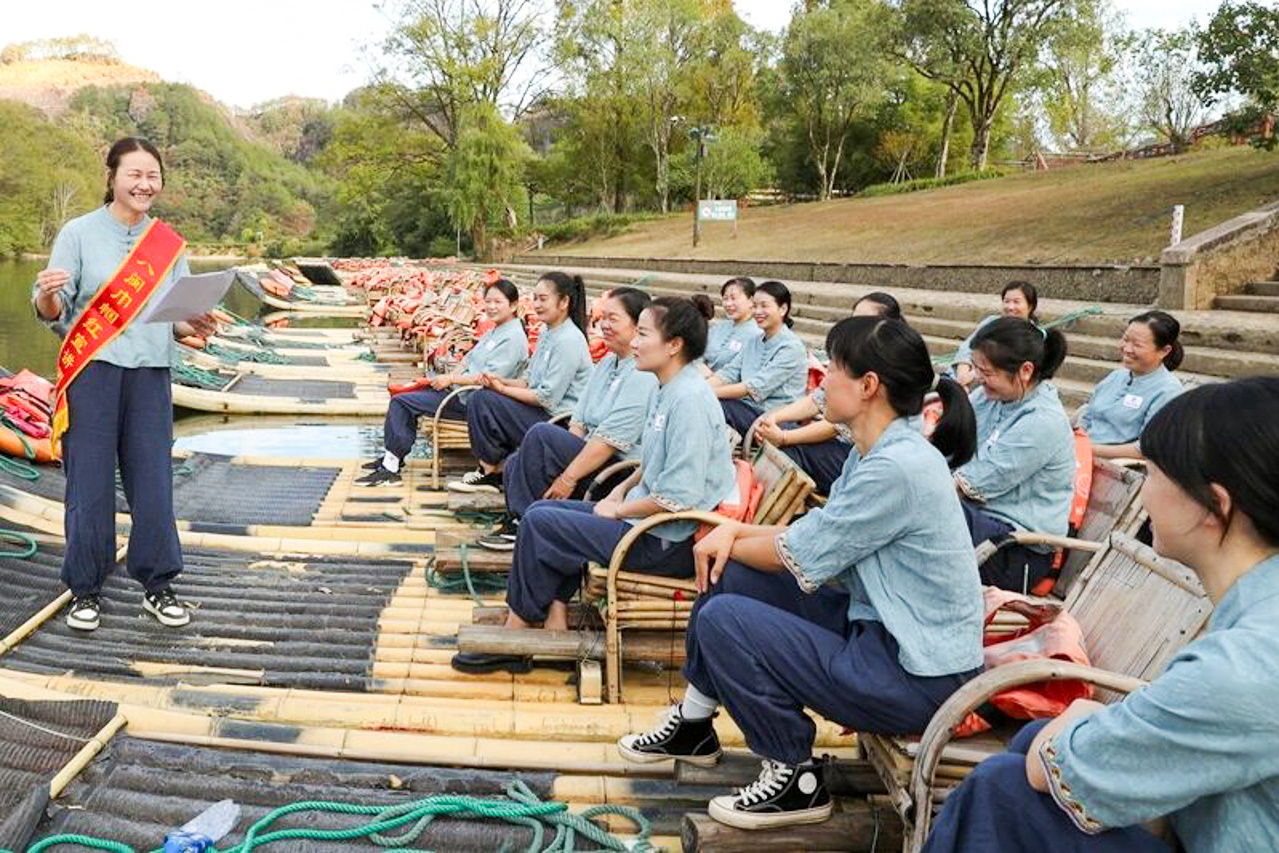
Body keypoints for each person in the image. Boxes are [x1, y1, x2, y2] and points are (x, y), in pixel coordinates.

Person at [617, 315, 985, 831]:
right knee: (731, 576)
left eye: (831, 368)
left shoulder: (896, 468)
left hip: (915, 675)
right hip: (878, 634)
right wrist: (731, 534)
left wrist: (731, 534)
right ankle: (695, 724)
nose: (822, 380)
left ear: (868, 386)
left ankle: (795, 777)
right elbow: (814, 533)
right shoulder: (877, 451)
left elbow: (799, 554)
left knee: (727, 619)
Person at [925, 377, 1279, 853]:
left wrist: (1082, 715)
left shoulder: (1246, 664)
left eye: (1152, 474)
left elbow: (1056, 769)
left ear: (1214, 506)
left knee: (1006, 786)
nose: (1145, 494)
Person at [451, 296, 736, 674]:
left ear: (674, 345)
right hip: (646, 522)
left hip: (664, 540)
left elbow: (676, 499)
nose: (635, 342)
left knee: (542, 523)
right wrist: (620, 491)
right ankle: (546, 618)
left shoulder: (688, 400)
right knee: (541, 512)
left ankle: (518, 629)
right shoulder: (670, 388)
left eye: (644, 334)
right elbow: (651, 464)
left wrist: (619, 508)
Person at [32, 137, 214, 632]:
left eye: (152, 175)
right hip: (92, 373)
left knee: (153, 483)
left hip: (150, 375)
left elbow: (171, 319)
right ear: (112, 176)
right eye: (134, 174)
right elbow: (55, 312)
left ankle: (158, 585)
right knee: (89, 484)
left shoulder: (168, 245)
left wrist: (192, 323)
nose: (144, 184)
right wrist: (48, 295)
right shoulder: (78, 232)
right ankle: (85, 590)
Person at [476, 287, 657, 550]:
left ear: (637, 325)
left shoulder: (642, 374)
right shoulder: (608, 362)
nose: (603, 325)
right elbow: (580, 419)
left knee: (541, 435)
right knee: (520, 459)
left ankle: (522, 523)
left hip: (615, 471)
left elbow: (609, 442)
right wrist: (562, 456)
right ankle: (523, 520)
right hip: (592, 454)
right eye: (602, 318)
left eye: (613, 319)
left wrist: (568, 477)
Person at [357, 278, 528, 487]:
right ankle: (392, 457)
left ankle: (391, 467)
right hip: (459, 391)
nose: (491, 307)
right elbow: (468, 358)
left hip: (474, 402)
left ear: (513, 305)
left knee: (402, 403)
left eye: (497, 302)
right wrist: (450, 378)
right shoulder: (495, 331)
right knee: (404, 395)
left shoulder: (513, 338)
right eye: (488, 302)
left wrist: (452, 379)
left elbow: (489, 379)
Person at [954, 317, 1075, 592]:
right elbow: (950, 434)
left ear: (1025, 370)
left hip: (1013, 549)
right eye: (976, 369)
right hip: (977, 522)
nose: (977, 378)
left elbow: (972, 483)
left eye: (987, 371)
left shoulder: (1043, 421)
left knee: (917, 506)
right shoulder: (989, 396)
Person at [447, 271, 592, 493]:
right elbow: (528, 381)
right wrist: (499, 381)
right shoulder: (547, 332)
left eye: (543, 299)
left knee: (483, 400)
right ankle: (492, 467)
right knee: (484, 395)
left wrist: (503, 389)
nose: (537, 304)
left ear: (564, 302)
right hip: (542, 411)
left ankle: (489, 471)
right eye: (535, 298)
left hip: (558, 422)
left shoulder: (569, 340)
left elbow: (546, 397)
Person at [752, 292, 903, 494]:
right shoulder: (857, 355)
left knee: (788, 449)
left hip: (863, 455)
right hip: (848, 449)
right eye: (853, 318)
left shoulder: (882, 368)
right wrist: (774, 416)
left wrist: (785, 437)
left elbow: (837, 424)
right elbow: (818, 399)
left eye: (864, 320)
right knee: (775, 429)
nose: (854, 325)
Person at [1078, 311, 1184, 460]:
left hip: (1118, 468)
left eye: (1137, 345)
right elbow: (1088, 415)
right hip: (1081, 454)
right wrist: (1078, 439)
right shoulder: (1116, 376)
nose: (1127, 349)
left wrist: (1090, 449)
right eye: (1125, 339)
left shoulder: (1168, 391)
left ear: (1164, 351)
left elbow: (1146, 449)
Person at [709, 280, 808, 437]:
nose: (757, 311)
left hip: (773, 420)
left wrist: (706, 392)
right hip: (746, 410)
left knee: (710, 404)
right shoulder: (754, 341)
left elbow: (754, 387)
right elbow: (728, 373)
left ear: (783, 309)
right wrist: (699, 387)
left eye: (764, 306)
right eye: (755, 306)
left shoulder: (791, 348)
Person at [952, 281, 1040, 387]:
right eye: (1007, 301)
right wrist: (963, 372)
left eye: (1016, 302)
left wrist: (974, 375)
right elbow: (968, 347)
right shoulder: (991, 322)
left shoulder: (1032, 336)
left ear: (1030, 306)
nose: (1010, 307)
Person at [700, 277, 760, 375]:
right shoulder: (720, 327)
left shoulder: (757, 334)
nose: (728, 304)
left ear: (751, 300)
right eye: (725, 299)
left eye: (733, 298)